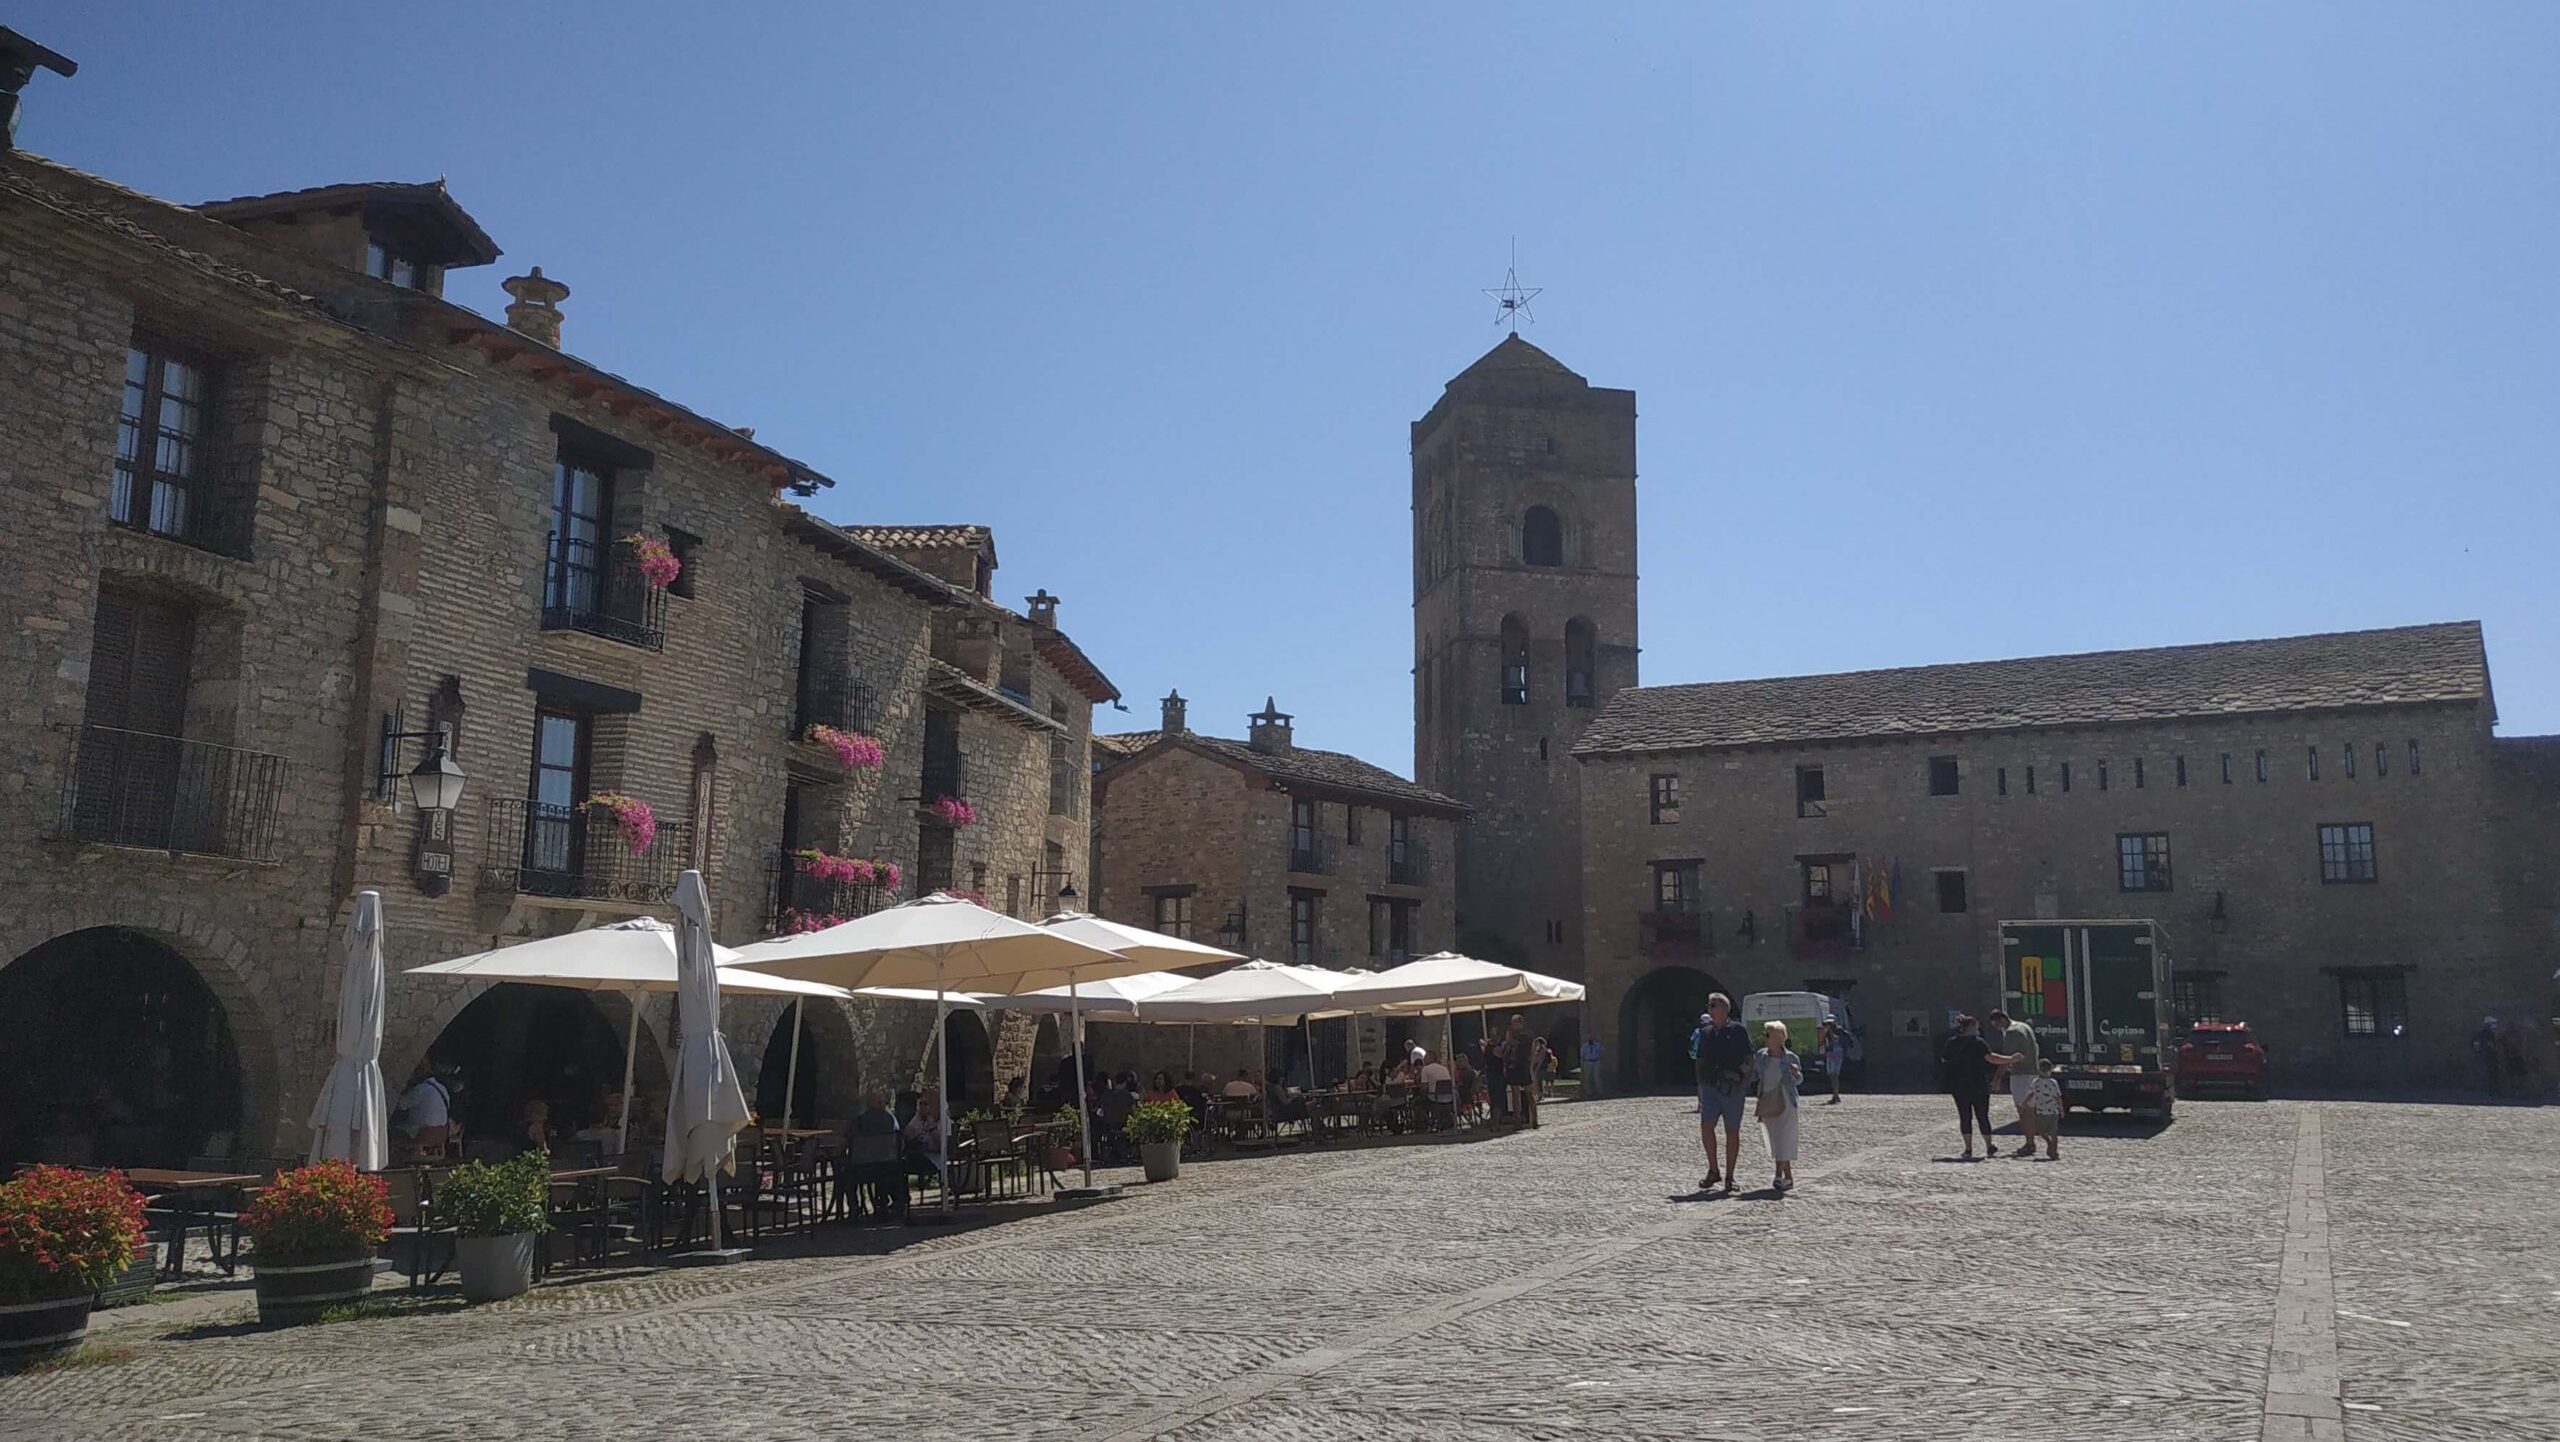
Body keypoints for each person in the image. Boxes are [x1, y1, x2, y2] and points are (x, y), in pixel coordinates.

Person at [1690, 995, 1754, 1194]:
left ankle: (1730, 1176)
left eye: (1712, 1006)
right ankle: (1713, 1169)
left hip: (1732, 1088)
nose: (1709, 1009)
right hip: (1710, 1087)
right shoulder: (1706, 1033)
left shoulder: (1738, 1031)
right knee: (1706, 1126)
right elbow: (1699, 1061)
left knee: (1732, 1131)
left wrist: (1744, 1083)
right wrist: (1700, 1087)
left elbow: (1749, 1058)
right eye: (1709, 1005)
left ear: (1724, 1009)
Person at [1940, 1015, 2018, 1160]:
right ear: (1970, 1027)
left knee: (1965, 1116)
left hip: (1959, 1085)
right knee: (1982, 1115)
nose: (1977, 1030)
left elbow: (1944, 1060)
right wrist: (2010, 1059)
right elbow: (1991, 1058)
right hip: (1978, 1084)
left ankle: (1968, 1148)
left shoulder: (1951, 1043)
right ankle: (1989, 1146)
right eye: (1976, 1027)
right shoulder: (1978, 1043)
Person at [1754, 1021, 1803, 1191]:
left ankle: (1777, 1175)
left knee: (1785, 1138)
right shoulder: (1761, 1056)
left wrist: (1796, 1073)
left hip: (1786, 1101)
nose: (1764, 1038)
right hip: (1768, 1101)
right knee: (1776, 1140)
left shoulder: (1791, 1058)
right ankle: (1788, 1177)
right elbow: (1756, 1076)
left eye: (1767, 1035)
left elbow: (1798, 1081)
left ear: (1778, 1038)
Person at [848, 1089, 909, 1220]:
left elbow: (851, 1141)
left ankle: (854, 1208)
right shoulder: (891, 1120)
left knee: (845, 1174)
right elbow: (900, 1144)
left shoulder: (858, 1121)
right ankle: (888, 1204)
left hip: (862, 1169)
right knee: (895, 1166)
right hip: (888, 1167)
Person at [1989, 1008, 2042, 1157]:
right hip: (2032, 1071)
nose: (1997, 1028)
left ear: (2001, 1020)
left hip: (2021, 1075)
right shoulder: (2025, 1026)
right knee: (2029, 1109)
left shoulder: (2011, 1032)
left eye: (1996, 1025)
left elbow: (2007, 1058)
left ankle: (2030, 1142)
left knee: (2023, 1110)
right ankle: (2030, 1141)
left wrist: (1997, 1078)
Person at [394, 1062, 455, 1160]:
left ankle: (396, 1158)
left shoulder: (420, 1090)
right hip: (441, 1134)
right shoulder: (442, 1089)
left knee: (394, 1128)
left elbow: (400, 1105)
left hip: (422, 1132)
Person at [2024, 1060, 2064, 1160]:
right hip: (2041, 1111)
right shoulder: (2036, 1082)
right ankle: (2048, 1142)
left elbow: (2058, 1097)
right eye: (2043, 1070)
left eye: (2047, 1071)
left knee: (2054, 1132)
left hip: (2053, 1111)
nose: (2045, 1073)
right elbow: (2031, 1093)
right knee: (2041, 1131)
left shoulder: (2053, 1083)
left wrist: (2061, 1109)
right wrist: (2025, 1102)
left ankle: (2054, 1151)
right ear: (2039, 1071)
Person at [1504, 1016, 1540, 1128]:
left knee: (1529, 1093)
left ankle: (1534, 1118)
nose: (1513, 1025)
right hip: (1513, 1067)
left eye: (1515, 1023)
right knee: (1515, 1094)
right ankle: (1517, 1120)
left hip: (1523, 1066)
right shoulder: (1514, 1034)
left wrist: (1508, 1035)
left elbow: (1513, 1043)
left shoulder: (1526, 1035)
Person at [1819, 1020, 1848, 1105]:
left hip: (1837, 1054)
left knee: (1835, 1075)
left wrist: (1830, 1031)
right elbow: (1823, 1043)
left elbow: (1836, 1039)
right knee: (1831, 1075)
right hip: (1830, 1055)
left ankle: (1836, 1095)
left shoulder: (1838, 1030)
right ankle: (1835, 1095)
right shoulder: (1827, 1033)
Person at [1579, 1034, 1604, 1099]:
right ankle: (1589, 1092)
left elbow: (1602, 1051)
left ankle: (1599, 1091)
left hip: (1596, 1061)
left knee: (1597, 1077)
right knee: (1588, 1077)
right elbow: (1582, 1055)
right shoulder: (1584, 1046)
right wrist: (1582, 1064)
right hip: (1588, 1062)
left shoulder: (1597, 1045)